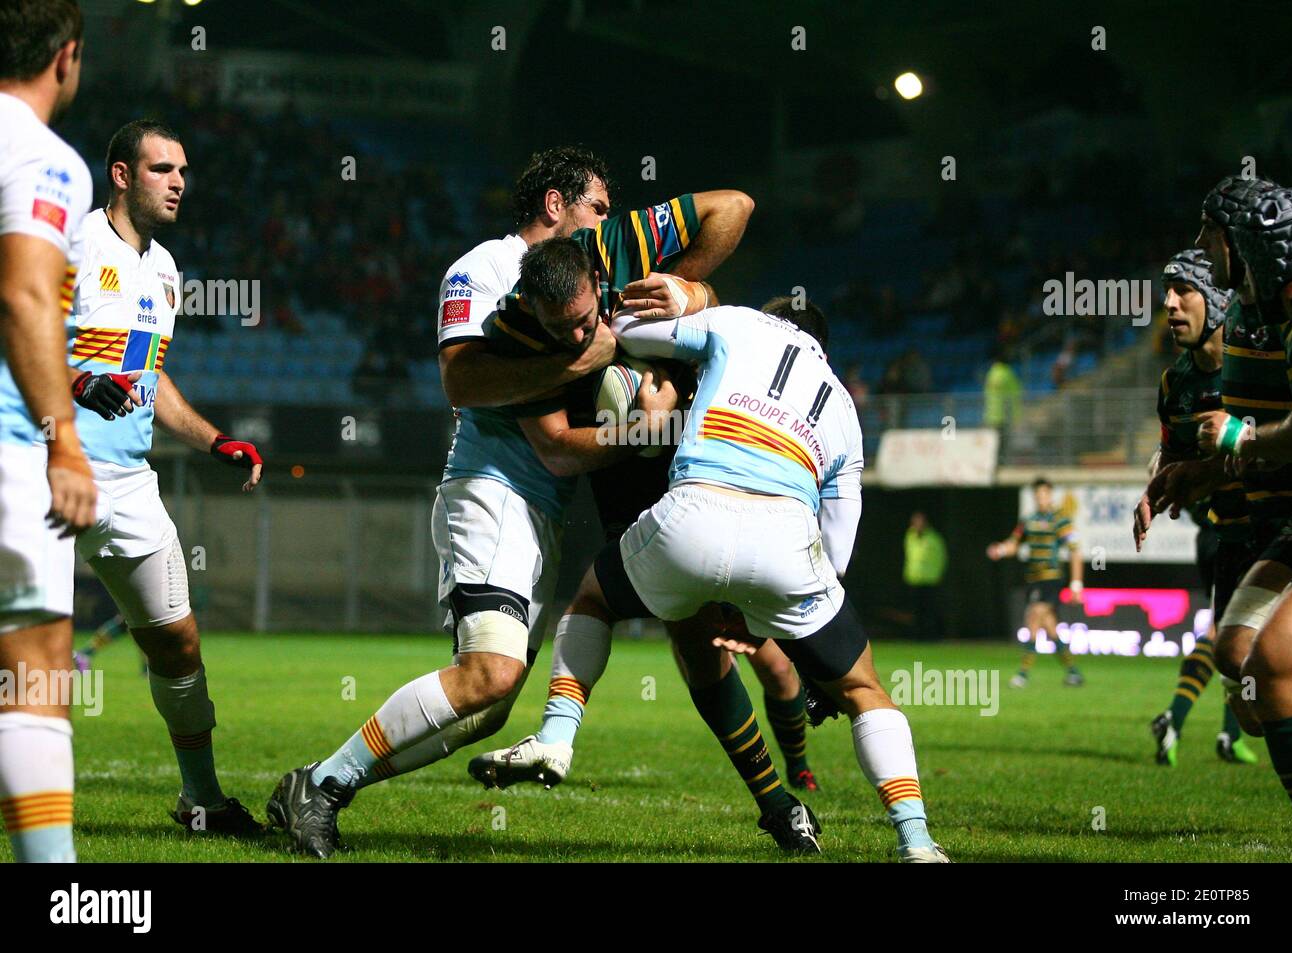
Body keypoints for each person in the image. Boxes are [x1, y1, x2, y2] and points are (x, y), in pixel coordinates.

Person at [266, 181, 755, 858]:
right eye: (598, 206)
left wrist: (677, 293)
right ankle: (321, 785)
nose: (607, 223)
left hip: (540, 509)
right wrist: (601, 382)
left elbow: (733, 206)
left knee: (488, 705)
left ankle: (323, 783)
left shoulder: (601, 256)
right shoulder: (489, 277)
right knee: (489, 674)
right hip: (496, 488)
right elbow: (471, 389)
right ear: (556, 204)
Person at [549, 293, 948, 861]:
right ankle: (916, 839)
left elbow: (628, 329)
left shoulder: (740, 323)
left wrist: (685, 299)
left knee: (592, 600)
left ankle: (557, 736)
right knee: (864, 689)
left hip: (694, 511)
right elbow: (838, 549)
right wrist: (792, 626)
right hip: (786, 544)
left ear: (772, 317)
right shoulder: (842, 406)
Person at [65, 119, 264, 833]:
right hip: (46, 466)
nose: (178, 181)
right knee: (30, 649)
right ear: (121, 175)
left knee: (177, 640)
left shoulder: (165, 269)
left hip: (127, 481)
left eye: (183, 170)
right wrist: (76, 380)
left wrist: (215, 440)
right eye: (161, 169)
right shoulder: (73, 244)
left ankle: (201, 799)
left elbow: (151, 375)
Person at [0, 0, 96, 863]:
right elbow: (25, 293)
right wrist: (62, 436)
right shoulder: (41, 157)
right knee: (34, 669)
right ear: (65, 58)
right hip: (4, 443)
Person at [1191, 183, 1292, 810]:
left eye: (1212, 236)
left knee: (1272, 669)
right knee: (1240, 653)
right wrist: (1199, 474)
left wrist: (1244, 437)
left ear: (1247, 243)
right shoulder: (1272, 317)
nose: (1205, 252)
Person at [1134, 249, 1256, 766]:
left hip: (1284, 529)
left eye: (1183, 290)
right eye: (1167, 291)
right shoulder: (1175, 385)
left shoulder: (1265, 360)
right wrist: (1157, 490)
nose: (1169, 303)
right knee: (1244, 680)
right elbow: (1177, 460)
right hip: (1230, 538)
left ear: (1218, 299)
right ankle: (1227, 730)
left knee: (1264, 676)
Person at [987, 478, 1084, 688]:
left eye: (1044, 495)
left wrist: (1076, 583)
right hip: (1033, 580)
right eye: (1038, 495)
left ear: (1050, 495)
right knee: (1049, 628)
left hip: (1051, 579)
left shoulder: (1061, 519)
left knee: (1033, 617)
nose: (1041, 499)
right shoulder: (1029, 520)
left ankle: (1023, 673)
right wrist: (1001, 550)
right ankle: (1073, 672)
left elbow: (1075, 550)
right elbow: (1014, 544)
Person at [902, 511, 946, 641]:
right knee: (916, 611)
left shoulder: (934, 538)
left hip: (930, 580)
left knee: (930, 610)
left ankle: (931, 636)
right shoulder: (910, 536)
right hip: (914, 579)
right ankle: (917, 636)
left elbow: (941, 558)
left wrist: (938, 575)